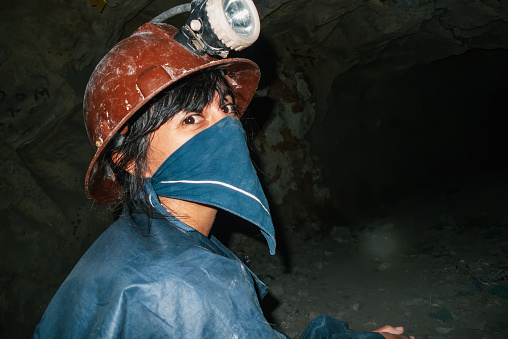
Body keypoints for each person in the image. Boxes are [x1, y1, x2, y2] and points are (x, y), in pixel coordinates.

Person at [34, 19, 414, 339]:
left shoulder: (130, 242)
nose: (226, 128)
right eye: (191, 119)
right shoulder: (190, 284)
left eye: (226, 107)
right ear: (128, 160)